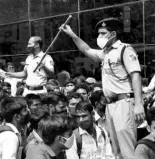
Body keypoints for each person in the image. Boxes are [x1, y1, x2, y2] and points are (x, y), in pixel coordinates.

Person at [60, 17, 145, 158]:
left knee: (127, 150)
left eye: (103, 33)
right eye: (99, 33)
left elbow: (136, 76)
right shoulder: (106, 53)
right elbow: (86, 49)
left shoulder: (124, 49)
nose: (99, 37)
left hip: (123, 102)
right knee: (115, 150)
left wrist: (139, 104)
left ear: (113, 34)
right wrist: (72, 35)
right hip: (110, 105)